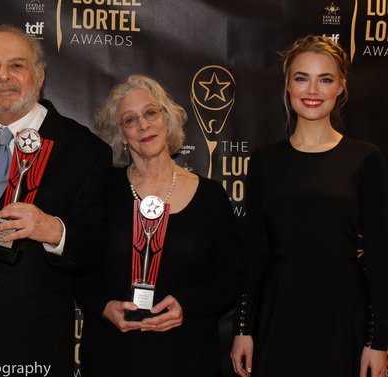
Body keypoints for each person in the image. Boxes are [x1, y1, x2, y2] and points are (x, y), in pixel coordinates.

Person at [0, 25, 111, 376]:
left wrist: (52, 230)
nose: (3, 77)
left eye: (17, 65)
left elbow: (95, 246)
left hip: (30, 346)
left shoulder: (83, 150)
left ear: (39, 76)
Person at [230, 35, 388, 377]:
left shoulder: (366, 158)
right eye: (302, 78)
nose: (312, 90)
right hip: (278, 309)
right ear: (287, 85)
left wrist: (379, 341)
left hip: (344, 311)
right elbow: (252, 249)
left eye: (325, 79)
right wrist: (242, 329)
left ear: (341, 86)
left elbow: (379, 253)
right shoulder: (265, 160)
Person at [75, 74, 245, 377]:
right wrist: (103, 306)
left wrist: (187, 304)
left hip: (187, 356)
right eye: (130, 120)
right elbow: (77, 266)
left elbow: (232, 276)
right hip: (112, 355)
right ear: (121, 135)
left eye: (151, 113)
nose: (143, 125)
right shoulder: (102, 192)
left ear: (166, 118)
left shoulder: (210, 197)